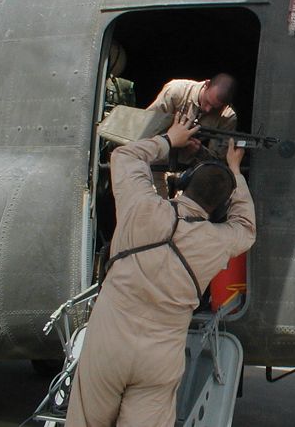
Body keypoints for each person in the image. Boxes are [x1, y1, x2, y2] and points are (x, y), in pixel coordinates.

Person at [65, 112, 256, 427]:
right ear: (220, 208)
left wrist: (171, 139)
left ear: (183, 184)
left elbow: (125, 155)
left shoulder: (140, 206)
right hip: (160, 358)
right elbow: (246, 228)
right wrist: (235, 170)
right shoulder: (217, 241)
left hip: (108, 346)